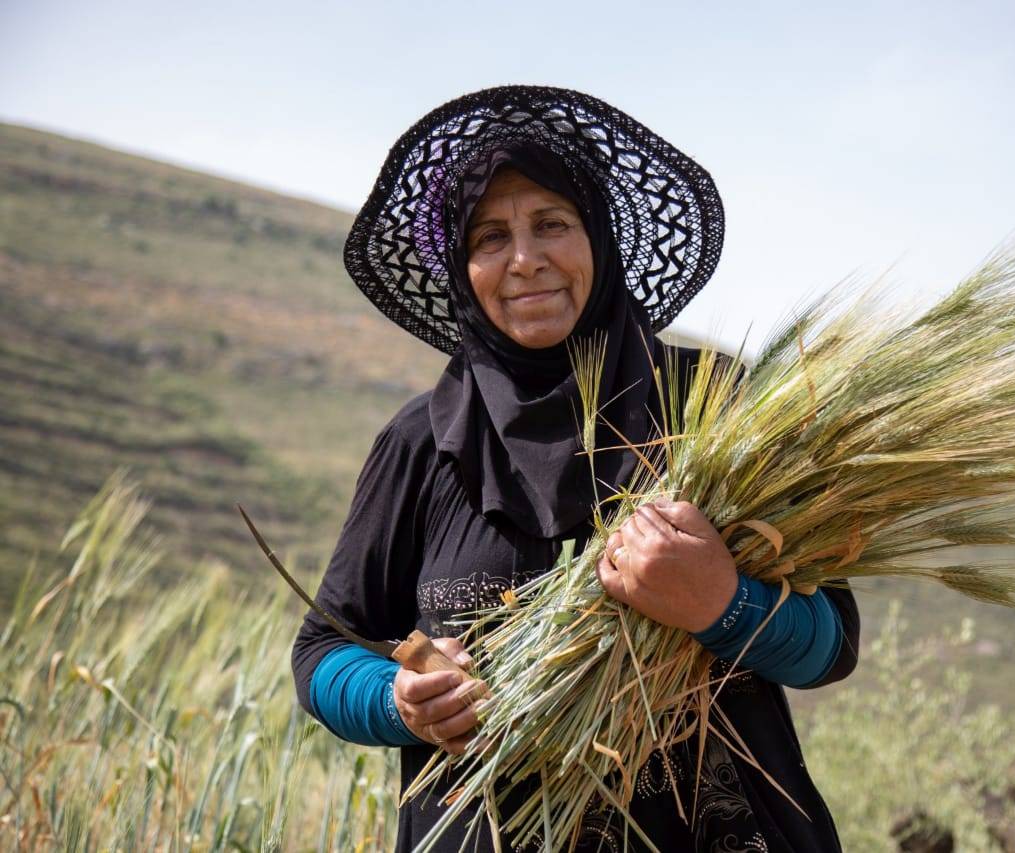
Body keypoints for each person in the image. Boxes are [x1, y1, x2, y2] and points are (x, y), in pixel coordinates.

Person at [291, 85, 860, 852]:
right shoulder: (419, 443)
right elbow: (324, 652)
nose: (524, 260)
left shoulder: (712, 407)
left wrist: (720, 603)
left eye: (552, 224)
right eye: (489, 237)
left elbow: (832, 642)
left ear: (600, 236)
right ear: (463, 270)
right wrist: (399, 699)